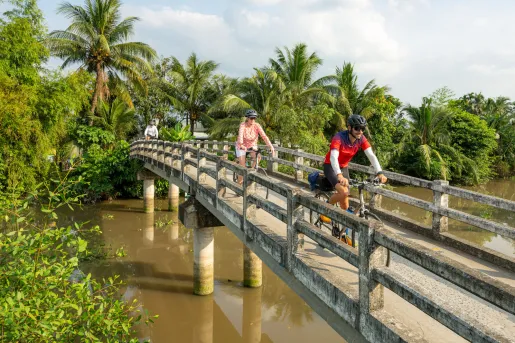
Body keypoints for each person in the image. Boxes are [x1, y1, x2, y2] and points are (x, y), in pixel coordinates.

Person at [320, 114, 387, 223]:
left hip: (344, 167)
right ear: (350, 127)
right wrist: (339, 175)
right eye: (357, 128)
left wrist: (379, 172)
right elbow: (333, 157)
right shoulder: (339, 137)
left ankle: (343, 234)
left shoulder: (361, 139)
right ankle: (324, 209)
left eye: (362, 129)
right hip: (331, 166)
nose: (360, 131)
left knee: (345, 204)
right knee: (344, 192)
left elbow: (371, 155)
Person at [236, 109, 275, 184]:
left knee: (258, 156)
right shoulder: (243, 125)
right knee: (242, 167)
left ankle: (250, 172)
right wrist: (241, 144)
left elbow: (264, 136)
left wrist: (271, 146)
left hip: (252, 146)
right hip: (242, 146)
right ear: (247, 118)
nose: (253, 120)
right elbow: (240, 135)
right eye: (251, 118)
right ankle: (239, 185)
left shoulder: (257, 126)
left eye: (254, 118)